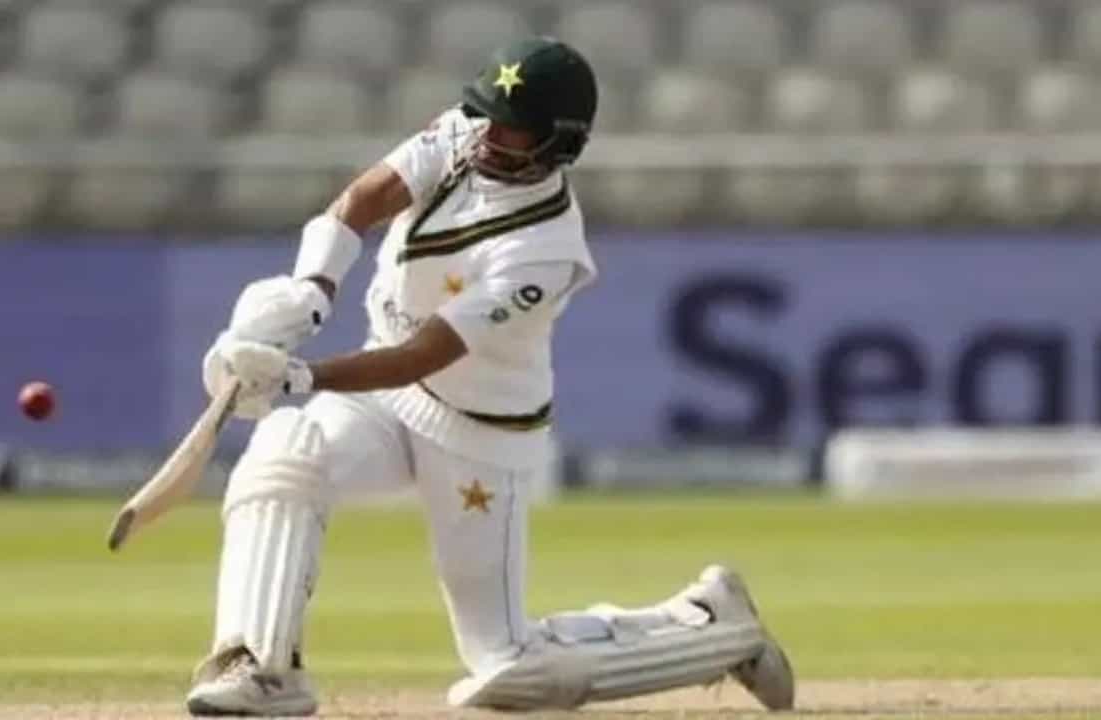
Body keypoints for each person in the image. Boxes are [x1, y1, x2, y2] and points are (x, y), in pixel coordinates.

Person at [186, 37, 794, 716]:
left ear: (558, 144)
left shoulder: (545, 251)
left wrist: (300, 375)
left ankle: (712, 624)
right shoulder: (465, 130)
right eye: (487, 116)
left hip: (477, 435)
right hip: (388, 399)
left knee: (506, 668)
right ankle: (260, 669)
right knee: (285, 451)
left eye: (512, 129)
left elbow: (423, 354)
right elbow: (363, 198)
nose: (488, 135)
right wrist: (311, 290)